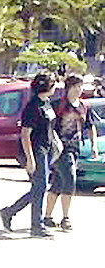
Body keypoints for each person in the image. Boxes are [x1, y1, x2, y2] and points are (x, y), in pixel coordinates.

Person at [0, 73, 58, 238]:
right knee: (40, 187)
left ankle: (9, 212)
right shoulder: (33, 107)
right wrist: (30, 159)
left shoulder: (46, 103)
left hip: (47, 148)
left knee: (39, 188)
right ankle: (36, 225)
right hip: (36, 149)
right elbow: (25, 135)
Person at [44, 74, 96, 233]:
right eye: (76, 86)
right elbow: (48, 125)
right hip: (60, 149)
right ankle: (65, 218)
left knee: (58, 182)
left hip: (75, 148)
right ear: (69, 87)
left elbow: (90, 126)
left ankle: (47, 217)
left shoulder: (83, 106)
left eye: (81, 86)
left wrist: (93, 145)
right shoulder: (58, 104)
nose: (79, 89)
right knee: (70, 179)